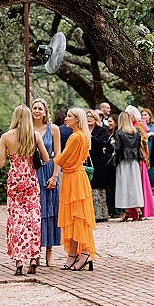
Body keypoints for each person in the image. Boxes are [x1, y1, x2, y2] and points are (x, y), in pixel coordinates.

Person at [0, 104, 49, 275]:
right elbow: (47, 159)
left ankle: (19, 260)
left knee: (16, 219)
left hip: (15, 180)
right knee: (33, 218)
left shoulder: (6, 137)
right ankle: (34, 259)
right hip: (31, 181)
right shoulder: (34, 136)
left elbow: (0, 163)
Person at [49, 106, 96, 271]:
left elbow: (61, 158)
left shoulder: (76, 137)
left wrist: (50, 156)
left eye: (69, 116)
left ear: (77, 119)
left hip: (73, 178)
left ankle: (81, 254)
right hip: (75, 176)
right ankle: (77, 253)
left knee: (76, 216)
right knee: (76, 217)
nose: (66, 118)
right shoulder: (82, 136)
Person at [31, 98, 62, 266]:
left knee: (50, 212)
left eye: (39, 108)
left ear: (45, 111)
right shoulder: (27, 129)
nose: (36, 111)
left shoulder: (54, 129)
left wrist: (55, 176)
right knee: (35, 213)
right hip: (33, 171)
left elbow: (58, 154)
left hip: (49, 171)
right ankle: (35, 252)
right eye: (34, 108)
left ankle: (49, 251)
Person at [125, 105, 154, 218]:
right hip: (131, 157)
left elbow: (143, 141)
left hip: (139, 158)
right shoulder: (128, 126)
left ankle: (144, 210)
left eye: (129, 115)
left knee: (141, 183)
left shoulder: (139, 125)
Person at [114, 111, 144, 221]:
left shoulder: (119, 133)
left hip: (123, 161)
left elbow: (117, 148)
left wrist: (112, 145)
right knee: (135, 185)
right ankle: (138, 210)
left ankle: (126, 212)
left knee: (124, 186)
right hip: (134, 161)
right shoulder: (136, 132)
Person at [85, 109, 109, 221]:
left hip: (98, 160)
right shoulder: (81, 131)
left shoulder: (102, 130)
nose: (89, 118)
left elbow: (102, 143)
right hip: (85, 160)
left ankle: (100, 214)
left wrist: (90, 136)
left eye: (91, 116)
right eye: (87, 116)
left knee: (98, 186)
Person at [105, 114, 121, 217]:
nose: (109, 123)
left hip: (114, 162)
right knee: (109, 186)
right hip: (108, 162)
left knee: (115, 185)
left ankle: (117, 210)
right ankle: (110, 208)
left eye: (111, 121)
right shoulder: (109, 133)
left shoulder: (117, 134)